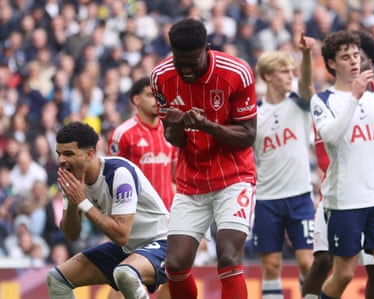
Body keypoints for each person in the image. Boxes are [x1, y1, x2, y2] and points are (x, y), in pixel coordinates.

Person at [150, 18, 257, 299]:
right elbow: (174, 140)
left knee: (229, 257)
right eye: (179, 61)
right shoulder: (160, 77)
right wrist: (173, 126)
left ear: (206, 49)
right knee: (175, 264)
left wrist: (208, 125)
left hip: (234, 177)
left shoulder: (237, 73)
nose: (185, 68)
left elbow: (248, 135)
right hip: (192, 180)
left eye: (192, 61)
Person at [302, 31, 374, 299]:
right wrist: (353, 97)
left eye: (355, 56)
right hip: (345, 201)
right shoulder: (322, 100)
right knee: (344, 274)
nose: (353, 62)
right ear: (331, 64)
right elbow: (330, 136)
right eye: (344, 57)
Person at [46, 121, 170, 299]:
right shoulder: (71, 180)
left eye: (68, 154)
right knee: (57, 279)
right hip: (128, 248)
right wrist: (73, 204)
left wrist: (83, 202)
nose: (61, 160)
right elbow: (72, 235)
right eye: (59, 154)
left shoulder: (119, 173)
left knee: (125, 273)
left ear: (89, 154)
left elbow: (121, 234)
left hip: (162, 242)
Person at [252, 32, 316, 299]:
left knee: (307, 263)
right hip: (267, 199)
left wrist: (307, 55)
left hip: (300, 196)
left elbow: (308, 87)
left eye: (292, 71)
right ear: (268, 77)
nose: (291, 75)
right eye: (284, 72)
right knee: (271, 265)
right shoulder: (254, 114)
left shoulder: (299, 104)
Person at [108, 76, 177, 211]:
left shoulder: (170, 131)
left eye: (159, 96)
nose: (157, 100)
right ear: (137, 100)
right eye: (150, 95)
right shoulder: (123, 133)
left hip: (168, 211)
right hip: (138, 213)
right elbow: (111, 176)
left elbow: (175, 175)